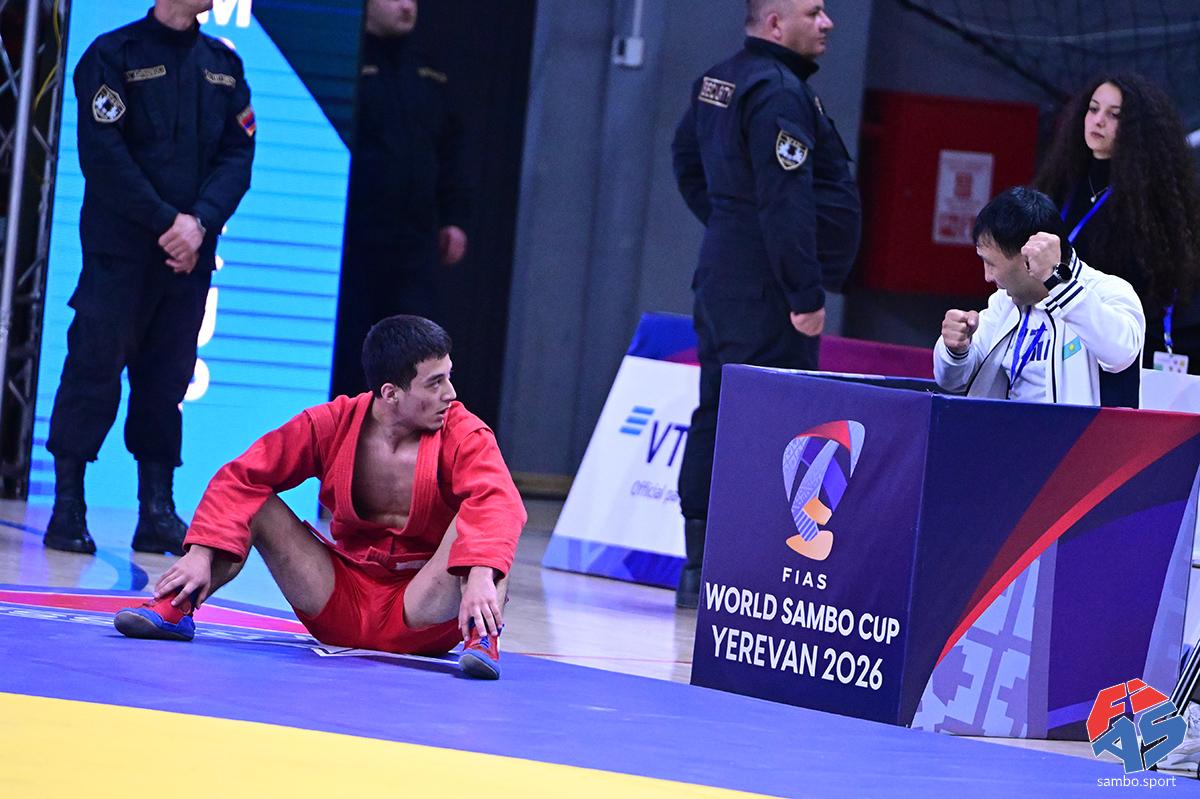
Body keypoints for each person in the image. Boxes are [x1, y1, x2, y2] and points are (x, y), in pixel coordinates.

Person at [113, 315, 526, 679]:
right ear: (390, 393)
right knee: (256, 500)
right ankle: (177, 606)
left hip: (424, 612)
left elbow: (497, 502)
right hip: (339, 605)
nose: (450, 393)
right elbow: (242, 476)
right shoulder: (331, 424)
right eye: (435, 383)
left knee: (490, 512)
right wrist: (201, 552)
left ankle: (481, 637)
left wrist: (478, 576)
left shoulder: (464, 432)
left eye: (448, 377)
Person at [43, 0, 255, 556]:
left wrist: (199, 223)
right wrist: (168, 223)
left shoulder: (223, 64)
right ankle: (68, 507)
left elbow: (238, 157)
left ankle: (156, 511)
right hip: (120, 255)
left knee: (167, 382)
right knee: (92, 372)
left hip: (188, 259)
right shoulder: (113, 54)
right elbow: (104, 157)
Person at [670, 0, 861, 608]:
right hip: (768, 291)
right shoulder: (779, 92)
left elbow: (685, 160)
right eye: (814, 11)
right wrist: (804, 293)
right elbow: (785, 200)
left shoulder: (721, 79)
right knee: (772, 425)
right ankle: (742, 567)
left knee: (718, 409)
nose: (828, 23)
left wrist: (730, 227)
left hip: (726, 275)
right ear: (776, 23)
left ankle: (699, 566)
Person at [329, 0, 470, 400]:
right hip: (356, 243)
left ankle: (406, 438)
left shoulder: (430, 69)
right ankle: (347, 434)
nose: (408, 6)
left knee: (415, 351)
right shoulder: (346, 60)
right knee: (354, 350)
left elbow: (450, 151)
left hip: (415, 244)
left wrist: (454, 217)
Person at [1035, 73, 1200, 377]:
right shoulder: (1061, 181)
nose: (1098, 121)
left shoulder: (1152, 201)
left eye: (1114, 115)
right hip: (1052, 339)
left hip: (1116, 351)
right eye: (1093, 109)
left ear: (1137, 128)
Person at [934, 187, 1145, 405]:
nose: (987, 276)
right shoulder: (1004, 302)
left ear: (1028, 259)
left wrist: (1056, 281)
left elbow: (1121, 356)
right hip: (1007, 426)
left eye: (991, 263)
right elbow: (953, 382)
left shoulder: (1108, 291)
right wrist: (956, 351)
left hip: (1076, 429)